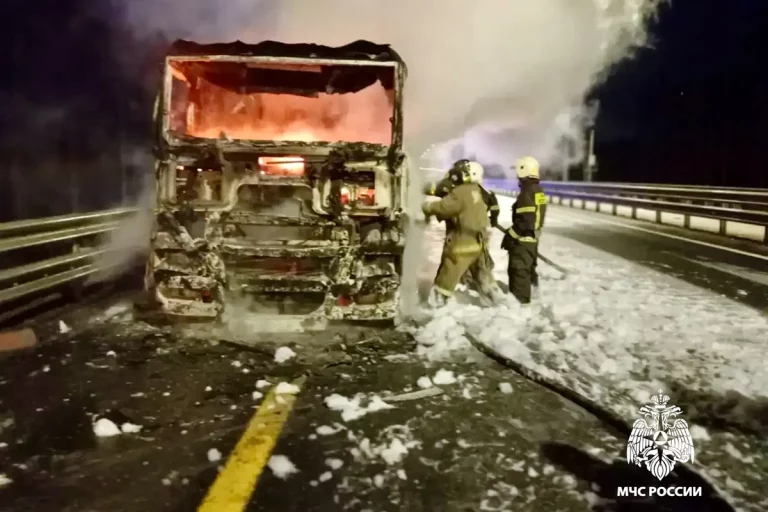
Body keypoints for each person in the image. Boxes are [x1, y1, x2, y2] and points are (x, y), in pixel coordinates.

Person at [421, 160, 503, 307]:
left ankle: (436, 304)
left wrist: (427, 207)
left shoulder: (461, 191)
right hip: (480, 242)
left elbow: (444, 207)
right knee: (483, 273)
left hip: (463, 242)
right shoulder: (477, 190)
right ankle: (496, 299)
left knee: (449, 272)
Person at [501, 156, 547, 304]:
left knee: (519, 272)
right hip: (532, 241)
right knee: (529, 272)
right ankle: (533, 295)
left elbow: (525, 220)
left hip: (522, 242)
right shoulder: (538, 191)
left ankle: (520, 305)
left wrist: (511, 236)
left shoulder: (526, 193)